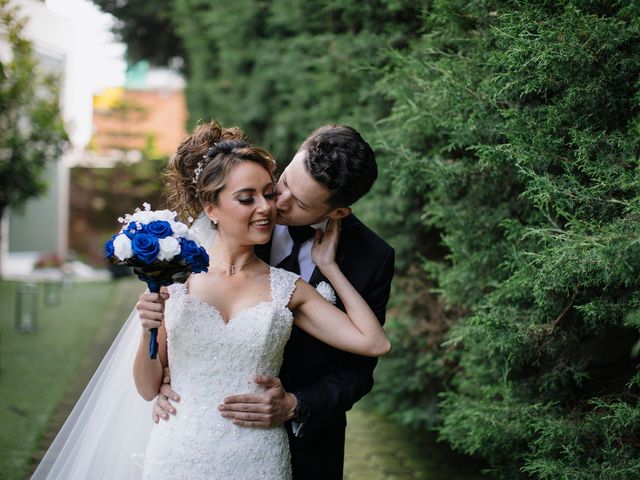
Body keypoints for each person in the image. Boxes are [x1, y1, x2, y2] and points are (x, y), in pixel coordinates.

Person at [133, 121, 390, 479]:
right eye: (280, 184)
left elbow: (362, 361)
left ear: (337, 213)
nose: (273, 206)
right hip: (182, 444)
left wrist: (329, 268)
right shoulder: (181, 269)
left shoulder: (362, 260)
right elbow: (153, 371)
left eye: (295, 202)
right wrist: (170, 372)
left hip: (275, 450)